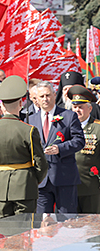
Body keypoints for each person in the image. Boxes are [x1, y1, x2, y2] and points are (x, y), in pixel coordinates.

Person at [0, 76, 48, 218]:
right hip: (26, 186)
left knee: (5, 230)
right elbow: (41, 163)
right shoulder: (29, 130)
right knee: (25, 230)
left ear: (2, 105)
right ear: (20, 103)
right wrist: (32, 178)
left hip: (1, 186)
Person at [30, 77, 85, 214]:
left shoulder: (68, 116)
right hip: (41, 181)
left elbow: (79, 140)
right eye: (41, 96)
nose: (45, 99)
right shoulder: (31, 119)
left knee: (67, 222)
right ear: (36, 98)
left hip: (64, 177)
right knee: (43, 224)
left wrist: (59, 149)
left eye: (48, 95)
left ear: (55, 95)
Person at [67, 84, 100, 212]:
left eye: (81, 107)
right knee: (69, 226)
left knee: (92, 226)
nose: (77, 110)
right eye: (74, 107)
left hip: (90, 187)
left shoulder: (97, 128)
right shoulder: (64, 128)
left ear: (90, 108)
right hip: (67, 187)